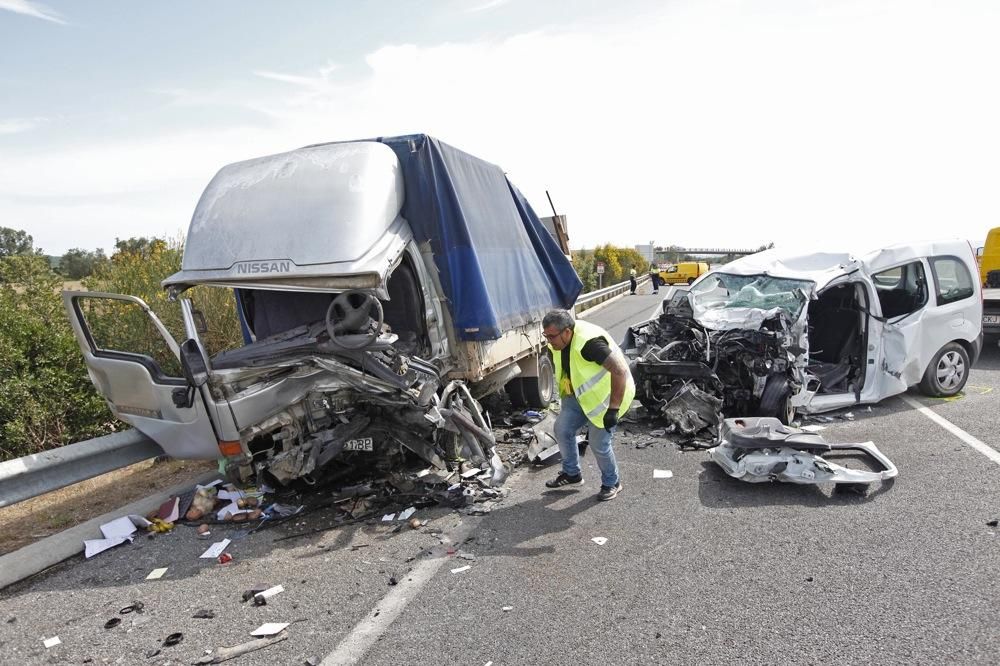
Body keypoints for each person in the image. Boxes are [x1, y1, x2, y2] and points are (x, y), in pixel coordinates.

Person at [541, 309, 635, 501]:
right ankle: (572, 473)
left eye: (551, 336)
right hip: (579, 395)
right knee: (562, 429)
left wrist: (613, 409)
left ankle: (612, 482)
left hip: (608, 398)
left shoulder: (590, 344)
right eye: (546, 336)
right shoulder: (560, 342)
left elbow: (620, 371)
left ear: (567, 331)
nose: (549, 341)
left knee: (598, 443)